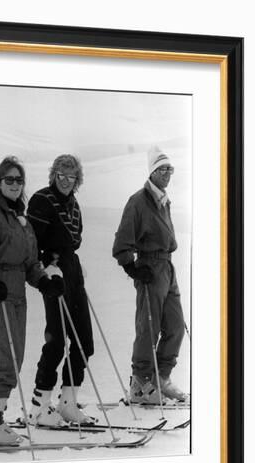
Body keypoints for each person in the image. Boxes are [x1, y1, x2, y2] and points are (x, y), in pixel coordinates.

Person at [0, 156, 65, 446]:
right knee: (5, 360)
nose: (14, 184)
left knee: (15, 359)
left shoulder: (22, 221)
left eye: (18, 180)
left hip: (16, 295)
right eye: (9, 179)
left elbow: (30, 264)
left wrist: (45, 281)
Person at [112, 146, 189, 404]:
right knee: (149, 327)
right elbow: (122, 241)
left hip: (167, 267)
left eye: (170, 169)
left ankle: (161, 378)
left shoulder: (164, 200)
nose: (167, 173)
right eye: (162, 169)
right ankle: (141, 383)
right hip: (150, 268)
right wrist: (132, 267)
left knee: (175, 326)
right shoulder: (138, 201)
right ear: (152, 172)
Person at [26, 154, 96, 426]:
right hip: (52, 273)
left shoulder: (74, 205)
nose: (66, 181)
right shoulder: (42, 200)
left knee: (84, 342)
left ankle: (67, 402)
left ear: (78, 179)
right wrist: (47, 266)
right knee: (56, 341)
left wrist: (73, 267)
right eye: (61, 175)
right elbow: (32, 241)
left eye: (71, 177)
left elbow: (73, 241)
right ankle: (39, 406)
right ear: (53, 175)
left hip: (72, 271)